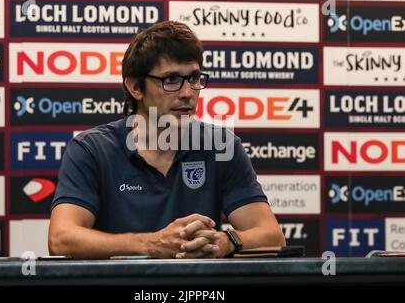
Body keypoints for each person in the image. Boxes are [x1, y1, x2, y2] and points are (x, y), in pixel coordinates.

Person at [48, 20, 285, 259]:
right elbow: (61, 239)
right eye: (171, 80)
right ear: (135, 87)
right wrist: (152, 244)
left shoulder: (221, 145)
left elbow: (272, 237)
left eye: (193, 78)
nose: (187, 93)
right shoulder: (91, 149)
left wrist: (225, 242)